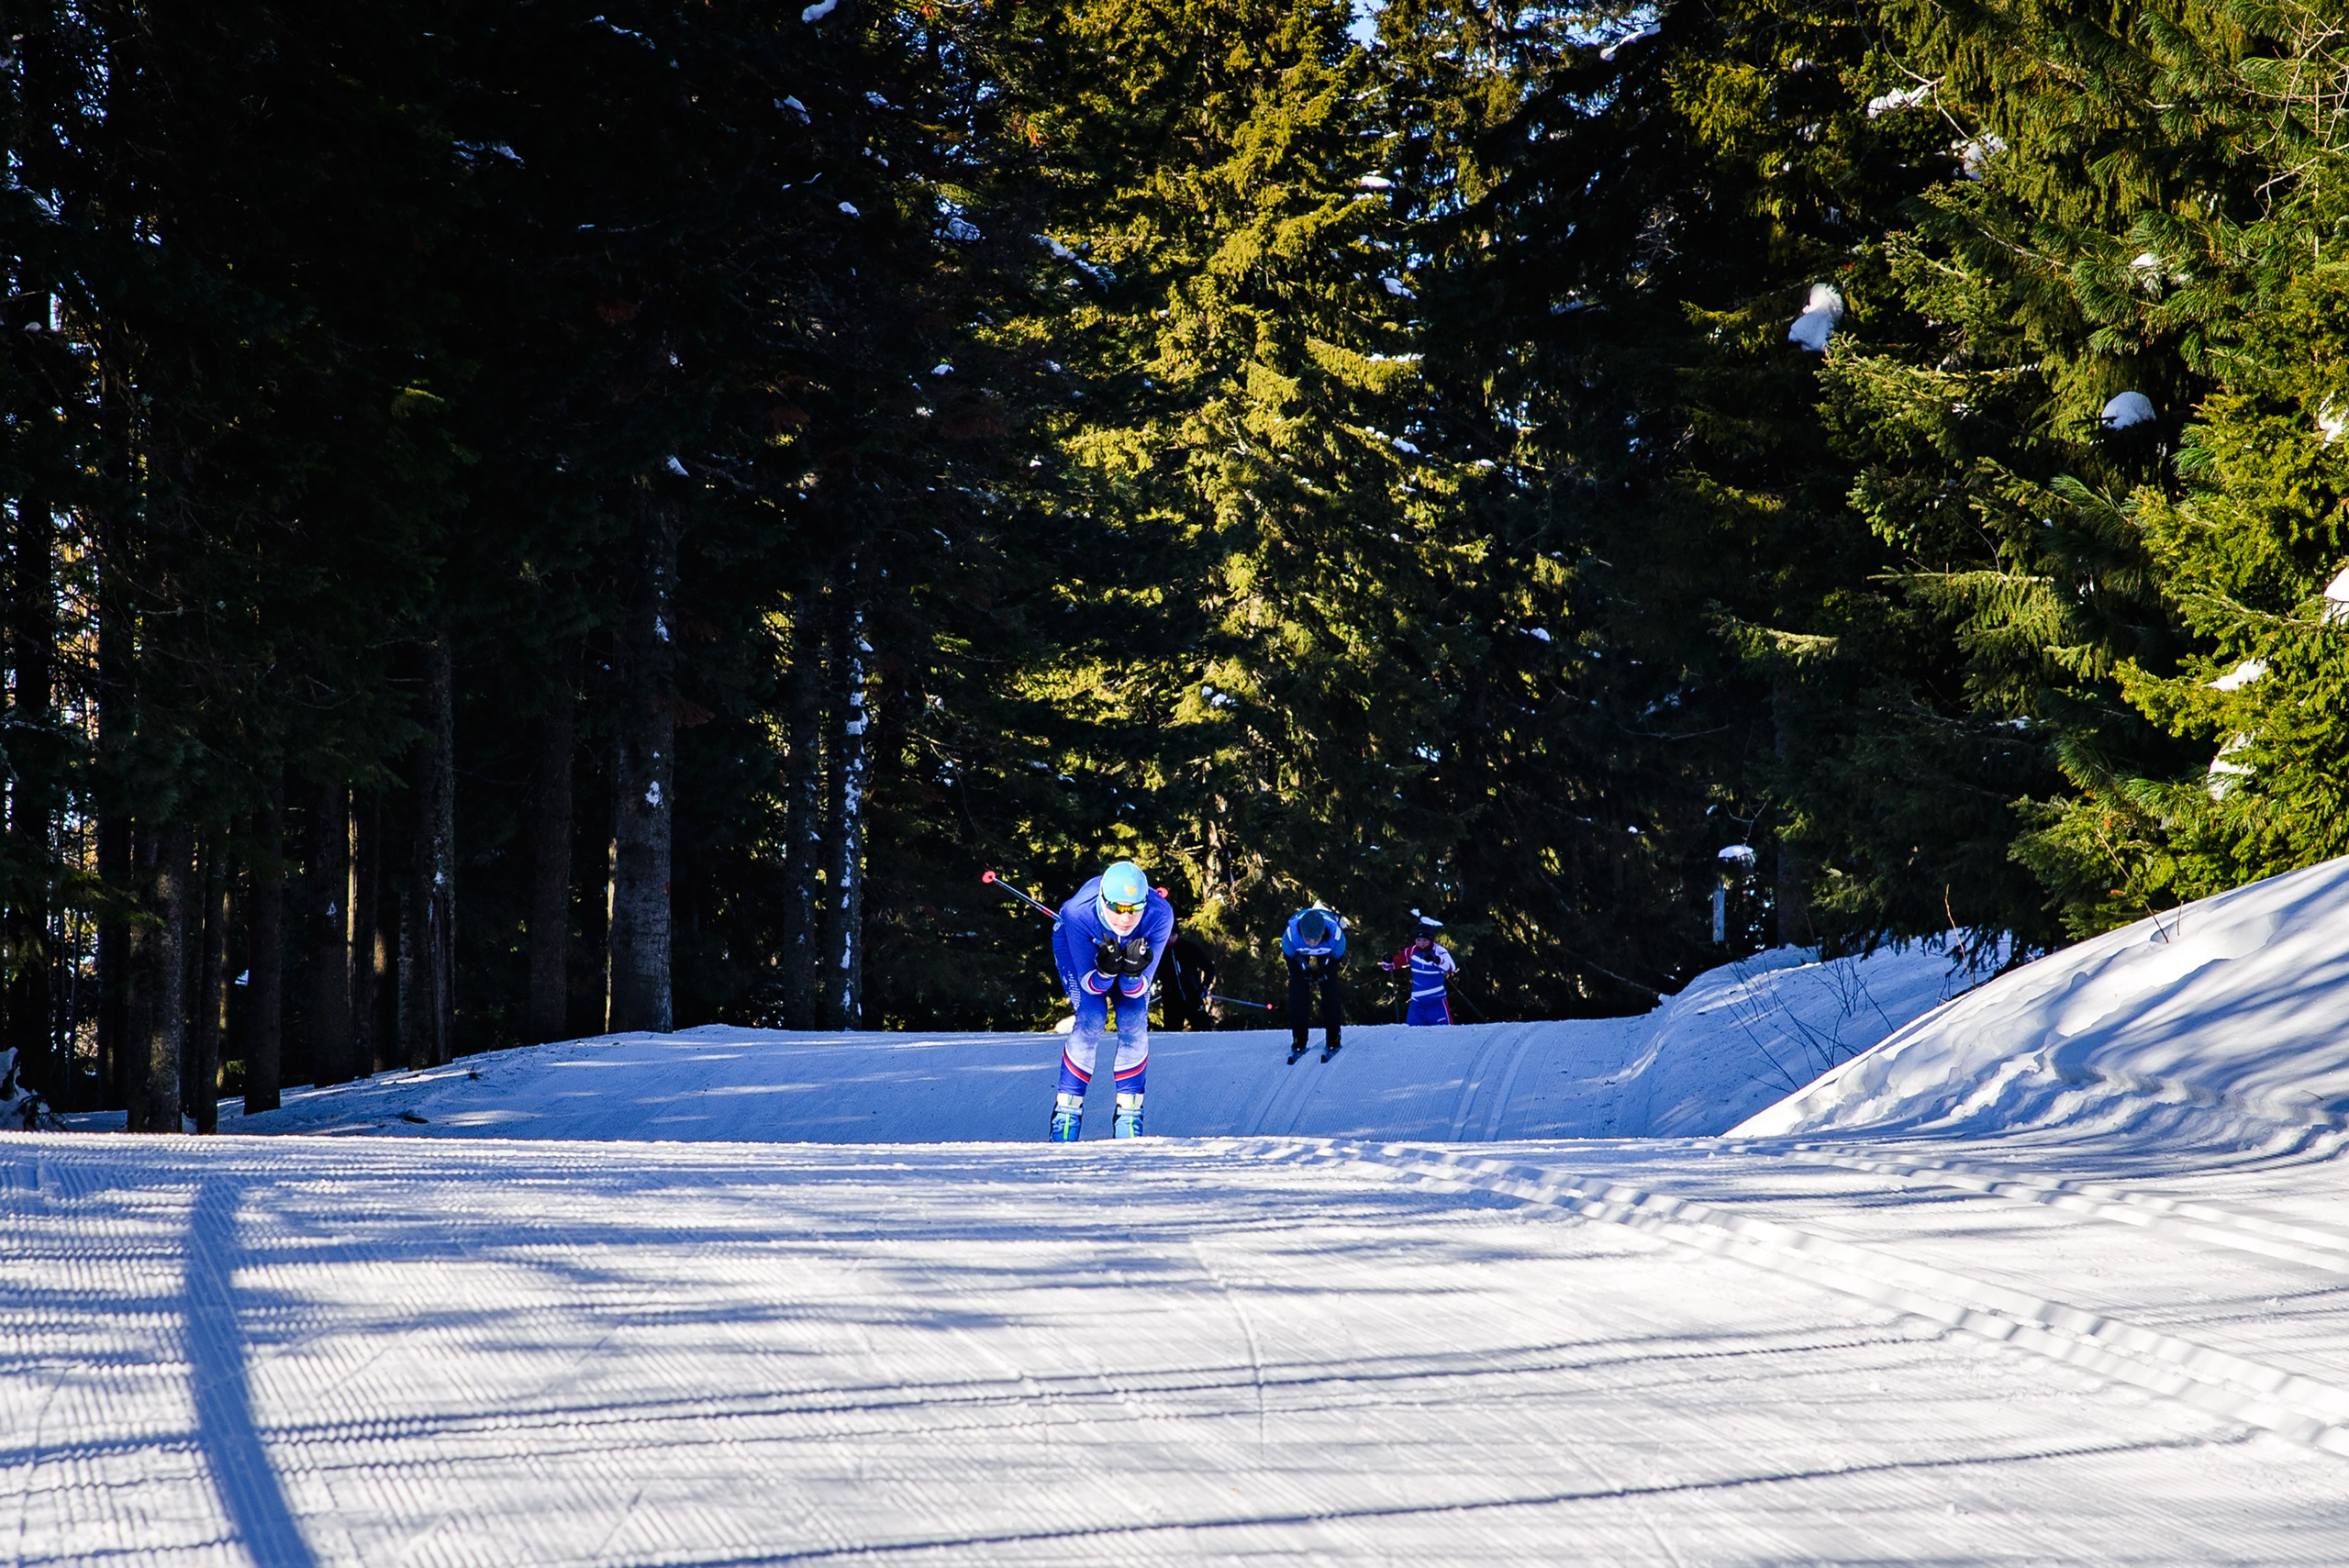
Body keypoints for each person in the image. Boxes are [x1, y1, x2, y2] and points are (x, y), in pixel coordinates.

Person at [1049, 860, 1174, 1140]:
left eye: (1134, 908)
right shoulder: (1077, 911)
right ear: (1104, 900)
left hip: (1120, 958)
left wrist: (1131, 972)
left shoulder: (1160, 915)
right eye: (1117, 907)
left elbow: (1136, 991)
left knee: (1133, 1019)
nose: (1126, 918)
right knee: (1092, 1019)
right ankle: (1066, 1114)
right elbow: (1091, 986)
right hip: (1079, 945)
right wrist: (1105, 970)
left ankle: (1130, 1115)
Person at [1279, 906, 1345, 1062]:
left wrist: (1325, 971)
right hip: (1297, 953)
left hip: (1329, 952)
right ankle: (1299, 1040)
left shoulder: (1336, 937)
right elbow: (1293, 957)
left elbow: (1335, 958)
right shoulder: (1291, 936)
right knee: (1298, 991)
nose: (1312, 943)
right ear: (1302, 934)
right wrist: (1304, 969)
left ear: (1323, 933)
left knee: (1329, 989)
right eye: (1308, 939)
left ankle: (1333, 1039)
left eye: (1316, 939)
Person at [1379, 914, 1457, 1026]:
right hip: (1417, 1003)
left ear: (1430, 940)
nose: (1421, 943)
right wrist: (1388, 960)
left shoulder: (1438, 950)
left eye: (1425, 940)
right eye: (1418, 940)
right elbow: (1391, 965)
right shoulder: (1412, 951)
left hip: (1437, 1002)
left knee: (1445, 1033)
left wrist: (1437, 960)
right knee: (1412, 1034)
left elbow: (1451, 967)